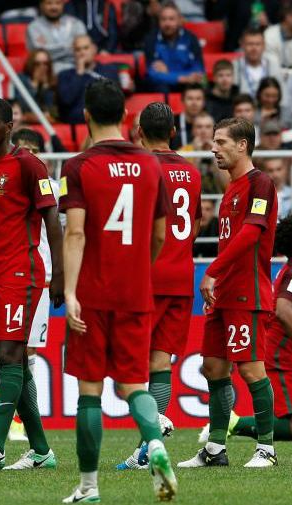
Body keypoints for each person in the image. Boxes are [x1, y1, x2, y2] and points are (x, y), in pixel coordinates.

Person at [55, 80, 176, 503]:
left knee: (90, 390)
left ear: (85, 116)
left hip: (92, 293)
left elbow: (75, 233)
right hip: (135, 291)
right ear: (126, 118)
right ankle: (155, 443)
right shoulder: (149, 165)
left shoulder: (77, 166)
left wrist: (70, 292)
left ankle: (89, 486)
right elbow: (160, 235)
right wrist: (139, 268)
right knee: (134, 385)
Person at [0, 97, 63, 473]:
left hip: (21, 273)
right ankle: (40, 450)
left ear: (8, 126)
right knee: (15, 360)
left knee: (9, 356)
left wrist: (61, 277)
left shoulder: (28, 164)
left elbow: (52, 217)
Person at [179, 116, 279, 470]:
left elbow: (252, 235)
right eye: (214, 142)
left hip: (246, 293)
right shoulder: (231, 189)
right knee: (213, 367)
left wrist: (213, 271)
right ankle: (215, 448)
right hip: (223, 294)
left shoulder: (260, 184)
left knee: (252, 370)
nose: (213, 148)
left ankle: (266, 448)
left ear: (243, 145)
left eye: (221, 142)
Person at [116, 102, 201, 471]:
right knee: (161, 361)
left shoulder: (140, 169)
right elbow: (194, 224)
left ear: (138, 133)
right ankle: (146, 450)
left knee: (129, 366)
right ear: (172, 133)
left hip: (145, 276)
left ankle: (151, 433)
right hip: (182, 276)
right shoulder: (193, 172)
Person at [219, 214, 292, 442]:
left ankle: (236, 424)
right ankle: (233, 423)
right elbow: (283, 310)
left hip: (289, 356)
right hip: (281, 356)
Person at [0, 127, 54, 446]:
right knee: (1, 352)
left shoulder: (46, 186)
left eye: (34, 150)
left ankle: (13, 428)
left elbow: (61, 230)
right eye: (24, 149)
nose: (29, 155)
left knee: (23, 352)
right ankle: (0, 412)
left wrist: (62, 274)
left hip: (36, 278)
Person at [143, 2, 204, 93]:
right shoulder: (151, 39)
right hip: (162, 87)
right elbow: (152, 73)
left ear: (180, 20)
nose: (167, 23)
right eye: (163, 19)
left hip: (187, 85)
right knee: (158, 86)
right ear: (159, 21)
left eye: (171, 19)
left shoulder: (191, 38)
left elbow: (198, 71)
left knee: (198, 86)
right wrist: (182, 78)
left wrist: (169, 72)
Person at [28, 0, 87, 74]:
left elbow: (84, 49)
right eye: (49, 3)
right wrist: (70, 47)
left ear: (63, 4)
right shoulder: (34, 27)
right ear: (41, 5)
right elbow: (41, 54)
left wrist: (50, 49)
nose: (54, 7)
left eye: (58, 3)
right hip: (48, 72)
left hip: (78, 68)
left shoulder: (76, 23)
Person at [234, 27, 284, 97]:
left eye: (258, 44)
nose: (254, 48)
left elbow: (281, 92)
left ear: (264, 46)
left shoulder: (273, 65)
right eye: (250, 44)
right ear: (242, 45)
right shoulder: (234, 66)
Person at [13, 49, 58, 125]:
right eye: (37, 64)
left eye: (45, 63)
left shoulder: (52, 82)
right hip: (24, 124)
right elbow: (23, 106)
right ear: (31, 64)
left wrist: (45, 87)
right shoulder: (21, 79)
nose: (42, 67)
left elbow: (52, 113)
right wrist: (35, 84)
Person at [171, 83, 205, 150]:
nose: (194, 103)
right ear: (182, 101)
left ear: (204, 102)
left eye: (198, 99)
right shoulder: (172, 123)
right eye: (190, 98)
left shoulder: (211, 123)